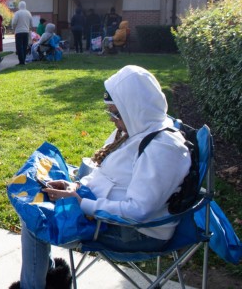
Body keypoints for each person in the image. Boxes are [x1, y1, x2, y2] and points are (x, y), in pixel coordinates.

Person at [14, 65, 191, 289]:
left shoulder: (163, 148)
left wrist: (80, 201)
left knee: (34, 218)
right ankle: (47, 278)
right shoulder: (138, 128)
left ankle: (38, 283)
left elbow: (138, 211)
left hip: (133, 232)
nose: (111, 119)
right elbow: (108, 175)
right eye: (109, 112)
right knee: (33, 201)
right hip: (103, 214)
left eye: (115, 113)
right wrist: (75, 186)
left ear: (134, 108)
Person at [12, 1, 33, 65]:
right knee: (24, 46)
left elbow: (14, 22)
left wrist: (14, 28)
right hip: (26, 32)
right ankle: (23, 60)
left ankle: (21, 61)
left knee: (19, 47)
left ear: (19, 6)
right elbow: (31, 24)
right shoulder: (28, 13)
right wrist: (29, 28)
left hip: (18, 32)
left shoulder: (17, 13)